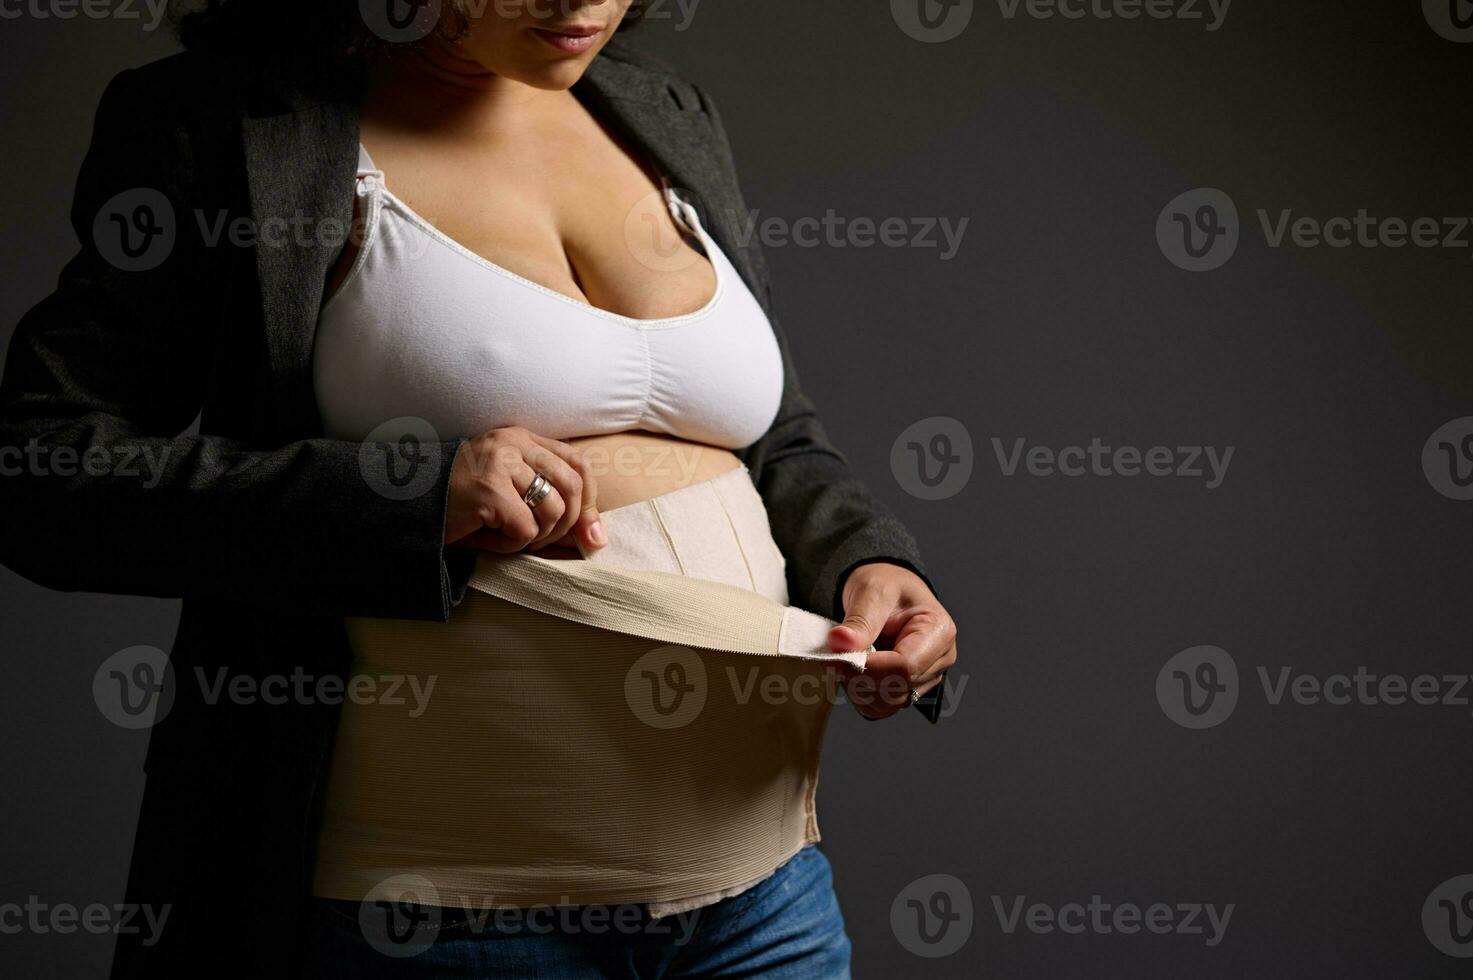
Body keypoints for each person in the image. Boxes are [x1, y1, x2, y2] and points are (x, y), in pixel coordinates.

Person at [0, 2, 958, 976]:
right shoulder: (225, 126)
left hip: (764, 900)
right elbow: (45, 469)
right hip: (445, 919)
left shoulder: (658, 107)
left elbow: (774, 433)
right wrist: (404, 491)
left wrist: (863, 557)